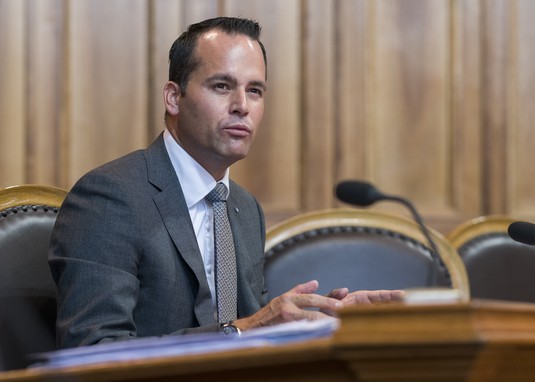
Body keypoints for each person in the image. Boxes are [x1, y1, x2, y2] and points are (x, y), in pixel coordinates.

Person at [48, 16, 404, 349]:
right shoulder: (110, 198)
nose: (242, 106)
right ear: (174, 97)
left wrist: (320, 318)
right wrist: (242, 330)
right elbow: (93, 350)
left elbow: (253, 332)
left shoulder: (244, 208)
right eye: (222, 86)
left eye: (255, 91)